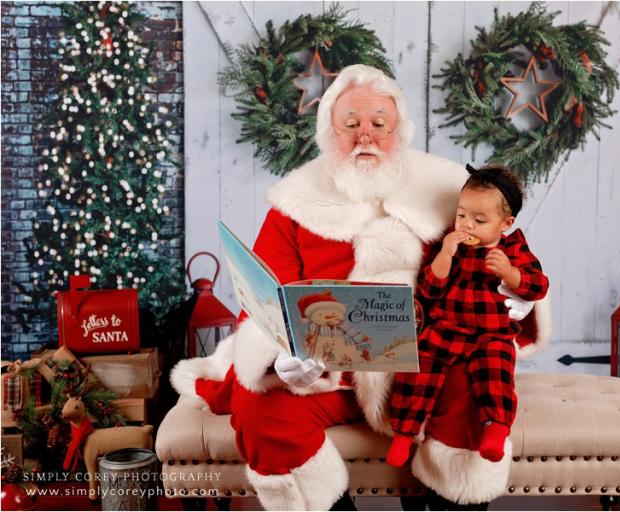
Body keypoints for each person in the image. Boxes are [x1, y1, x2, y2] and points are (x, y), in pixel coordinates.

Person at [170, 64, 549, 511]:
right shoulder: (294, 204)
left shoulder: (449, 191)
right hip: (330, 375)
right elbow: (265, 299)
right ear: (329, 132)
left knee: (472, 390)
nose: (364, 136)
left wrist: (511, 295)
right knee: (258, 410)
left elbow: (509, 259)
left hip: (431, 360)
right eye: (350, 125)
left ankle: (453, 500)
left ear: (399, 133)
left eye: (378, 125)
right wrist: (283, 354)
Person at [387, 164, 549, 468]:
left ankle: (496, 429)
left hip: (492, 334)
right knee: (418, 367)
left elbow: (538, 285)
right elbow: (429, 288)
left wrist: (510, 274)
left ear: (505, 223)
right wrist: (445, 255)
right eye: (462, 215)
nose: (467, 225)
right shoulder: (451, 244)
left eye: (479, 219)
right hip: (447, 326)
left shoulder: (513, 249)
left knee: (496, 372)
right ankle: (403, 432)